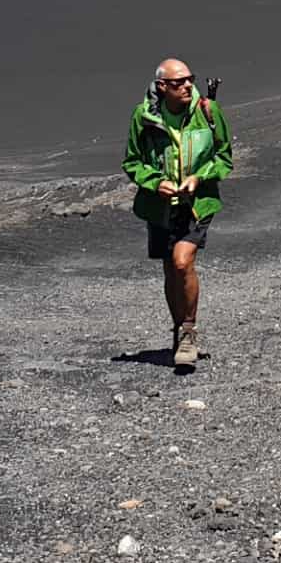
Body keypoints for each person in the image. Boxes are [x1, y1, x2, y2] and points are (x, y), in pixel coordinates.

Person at [121, 58, 232, 368]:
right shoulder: (143, 118)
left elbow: (224, 158)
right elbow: (132, 162)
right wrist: (156, 182)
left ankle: (188, 331)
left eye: (189, 79)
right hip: (159, 208)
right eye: (178, 82)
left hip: (198, 203)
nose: (187, 86)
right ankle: (178, 328)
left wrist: (200, 177)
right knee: (170, 270)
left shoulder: (208, 112)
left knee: (183, 262)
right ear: (161, 87)